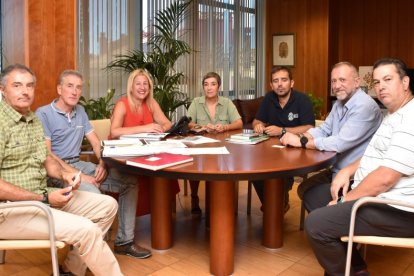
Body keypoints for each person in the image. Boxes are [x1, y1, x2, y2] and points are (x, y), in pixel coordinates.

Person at [0, 64, 122, 275]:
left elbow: (46, 157)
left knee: (108, 206)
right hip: (11, 210)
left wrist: (64, 174)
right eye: (17, 85)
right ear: (3, 90)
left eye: (30, 85)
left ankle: (71, 269)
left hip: (41, 198)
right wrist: (44, 199)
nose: (25, 91)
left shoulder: (31, 119)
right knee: (88, 230)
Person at [304, 57, 414, 275]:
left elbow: (386, 177)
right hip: (379, 195)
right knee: (313, 196)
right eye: (376, 82)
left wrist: (346, 199)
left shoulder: (409, 119)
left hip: (398, 209)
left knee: (316, 225)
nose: (381, 87)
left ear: (405, 82)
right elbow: (376, 156)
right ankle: (355, 266)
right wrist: (347, 170)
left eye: (388, 79)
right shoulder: (393, 114)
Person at [35, 70, 152, 259]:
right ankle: (95, 252)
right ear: (59, 89)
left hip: (80, 165)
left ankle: (124, 242)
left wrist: (102, 164)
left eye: (78, 87)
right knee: (95, 193)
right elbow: (48, 155)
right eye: (69, 86)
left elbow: (96, 143)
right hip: (56, 172)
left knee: (129, 181)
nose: (74, 91)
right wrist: (82, 176)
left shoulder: (80, 111)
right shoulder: (44, 114)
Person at [280, 62, 383, 210]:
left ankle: (331, 225)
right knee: (304, 188)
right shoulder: (339, 103)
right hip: (337, 168)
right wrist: (302, 135)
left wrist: (302, 141)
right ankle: (327, 222)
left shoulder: (364, 106)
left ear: (356, 82)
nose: (337, 85)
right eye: (334, 81)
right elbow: (324, 129)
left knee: (311, 195)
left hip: (356, 176)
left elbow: (340, 143)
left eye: (342, 80)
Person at [252, 66, 315, 211]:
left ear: (291, 83)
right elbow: (257, 120)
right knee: (255, 172)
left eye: (284, 80)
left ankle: (277, 204)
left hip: (296, 150)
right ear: (271, 85)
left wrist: (282, 130)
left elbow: (310, 127)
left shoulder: (302, 100)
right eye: (275, 81)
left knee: (280, 173)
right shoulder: (269, 98)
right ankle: (273, 205)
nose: (279, 84)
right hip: (270, 150)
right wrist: (258, 126)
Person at [186, 72, 243, 214]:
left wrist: (225, 127)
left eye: (213, 84)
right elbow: (188, 123)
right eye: (206, 84)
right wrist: (203, 127)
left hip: (223, 146)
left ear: (219, 87)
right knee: (193, 167)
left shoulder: (227, 102)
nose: (209, 88)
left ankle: (224, 201)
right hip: (201, 145)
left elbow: (239, 123)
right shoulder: (196, 102)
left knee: (224, 169)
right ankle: (194, 196)